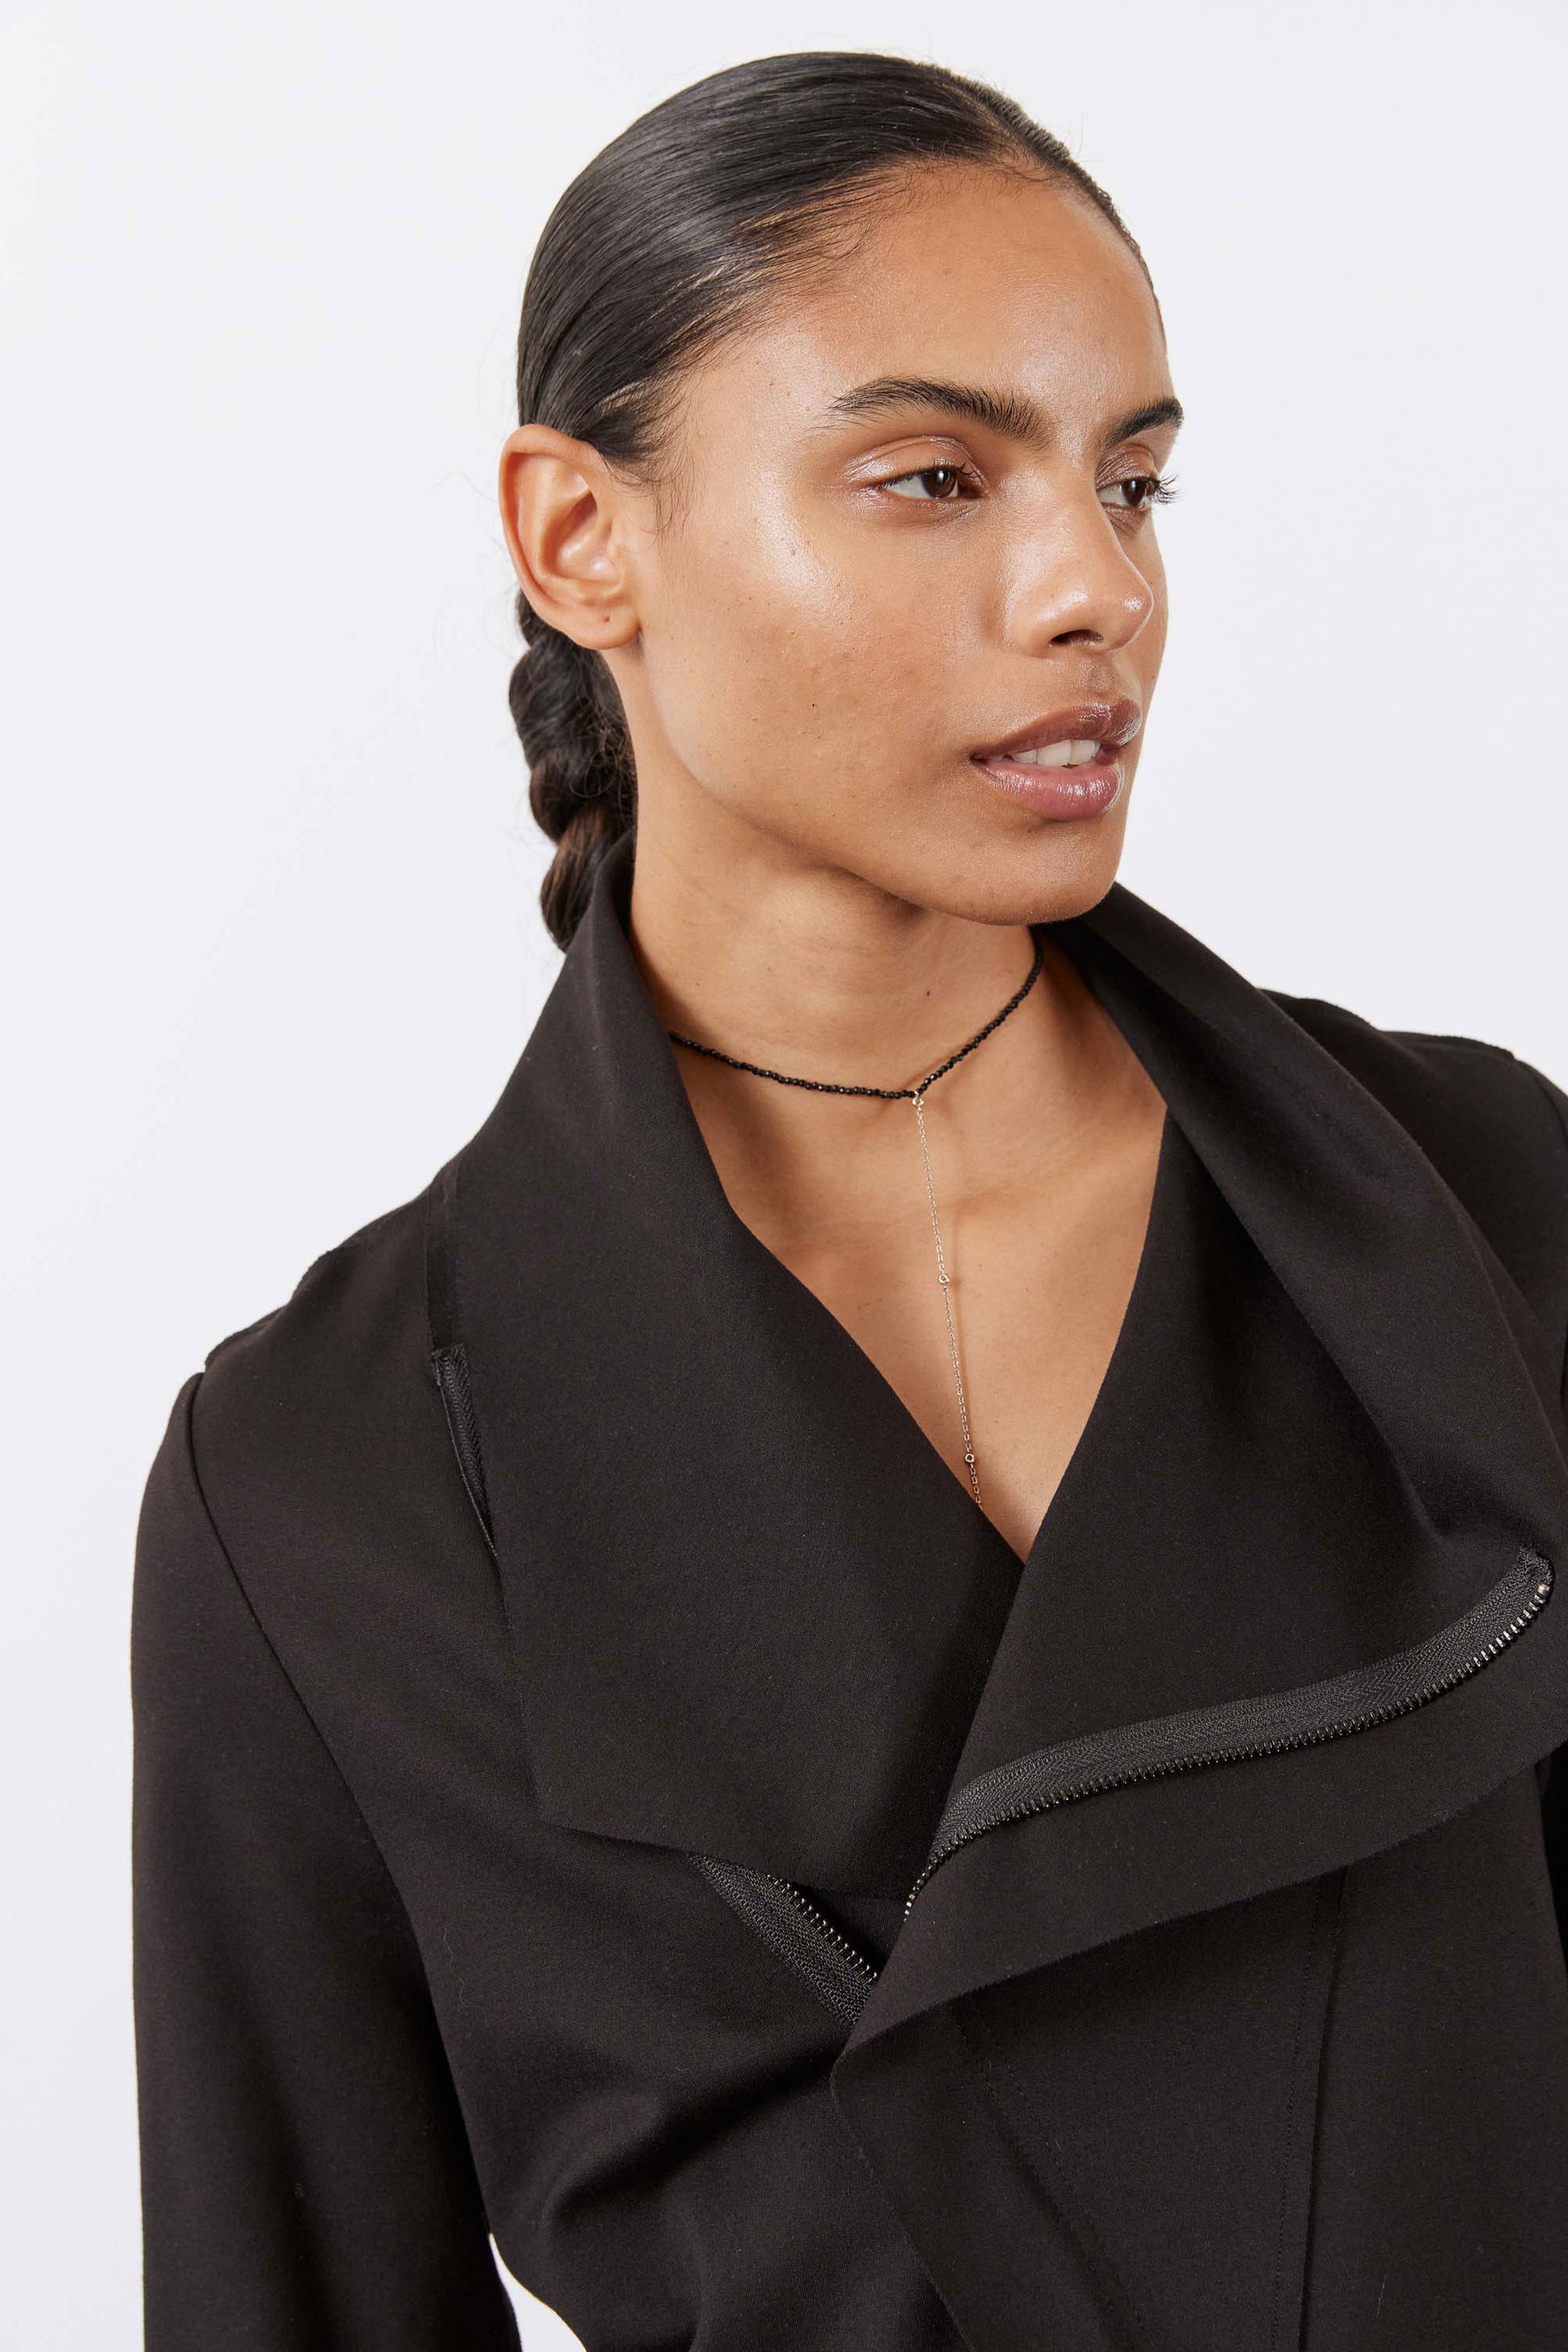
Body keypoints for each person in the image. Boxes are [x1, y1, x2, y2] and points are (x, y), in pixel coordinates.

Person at [130, 50, 1568, 2352]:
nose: (1096, 587)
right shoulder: (330, 1486)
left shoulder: (1471, 1210)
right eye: (932, 477)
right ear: (580, 540)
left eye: (1133, 480)